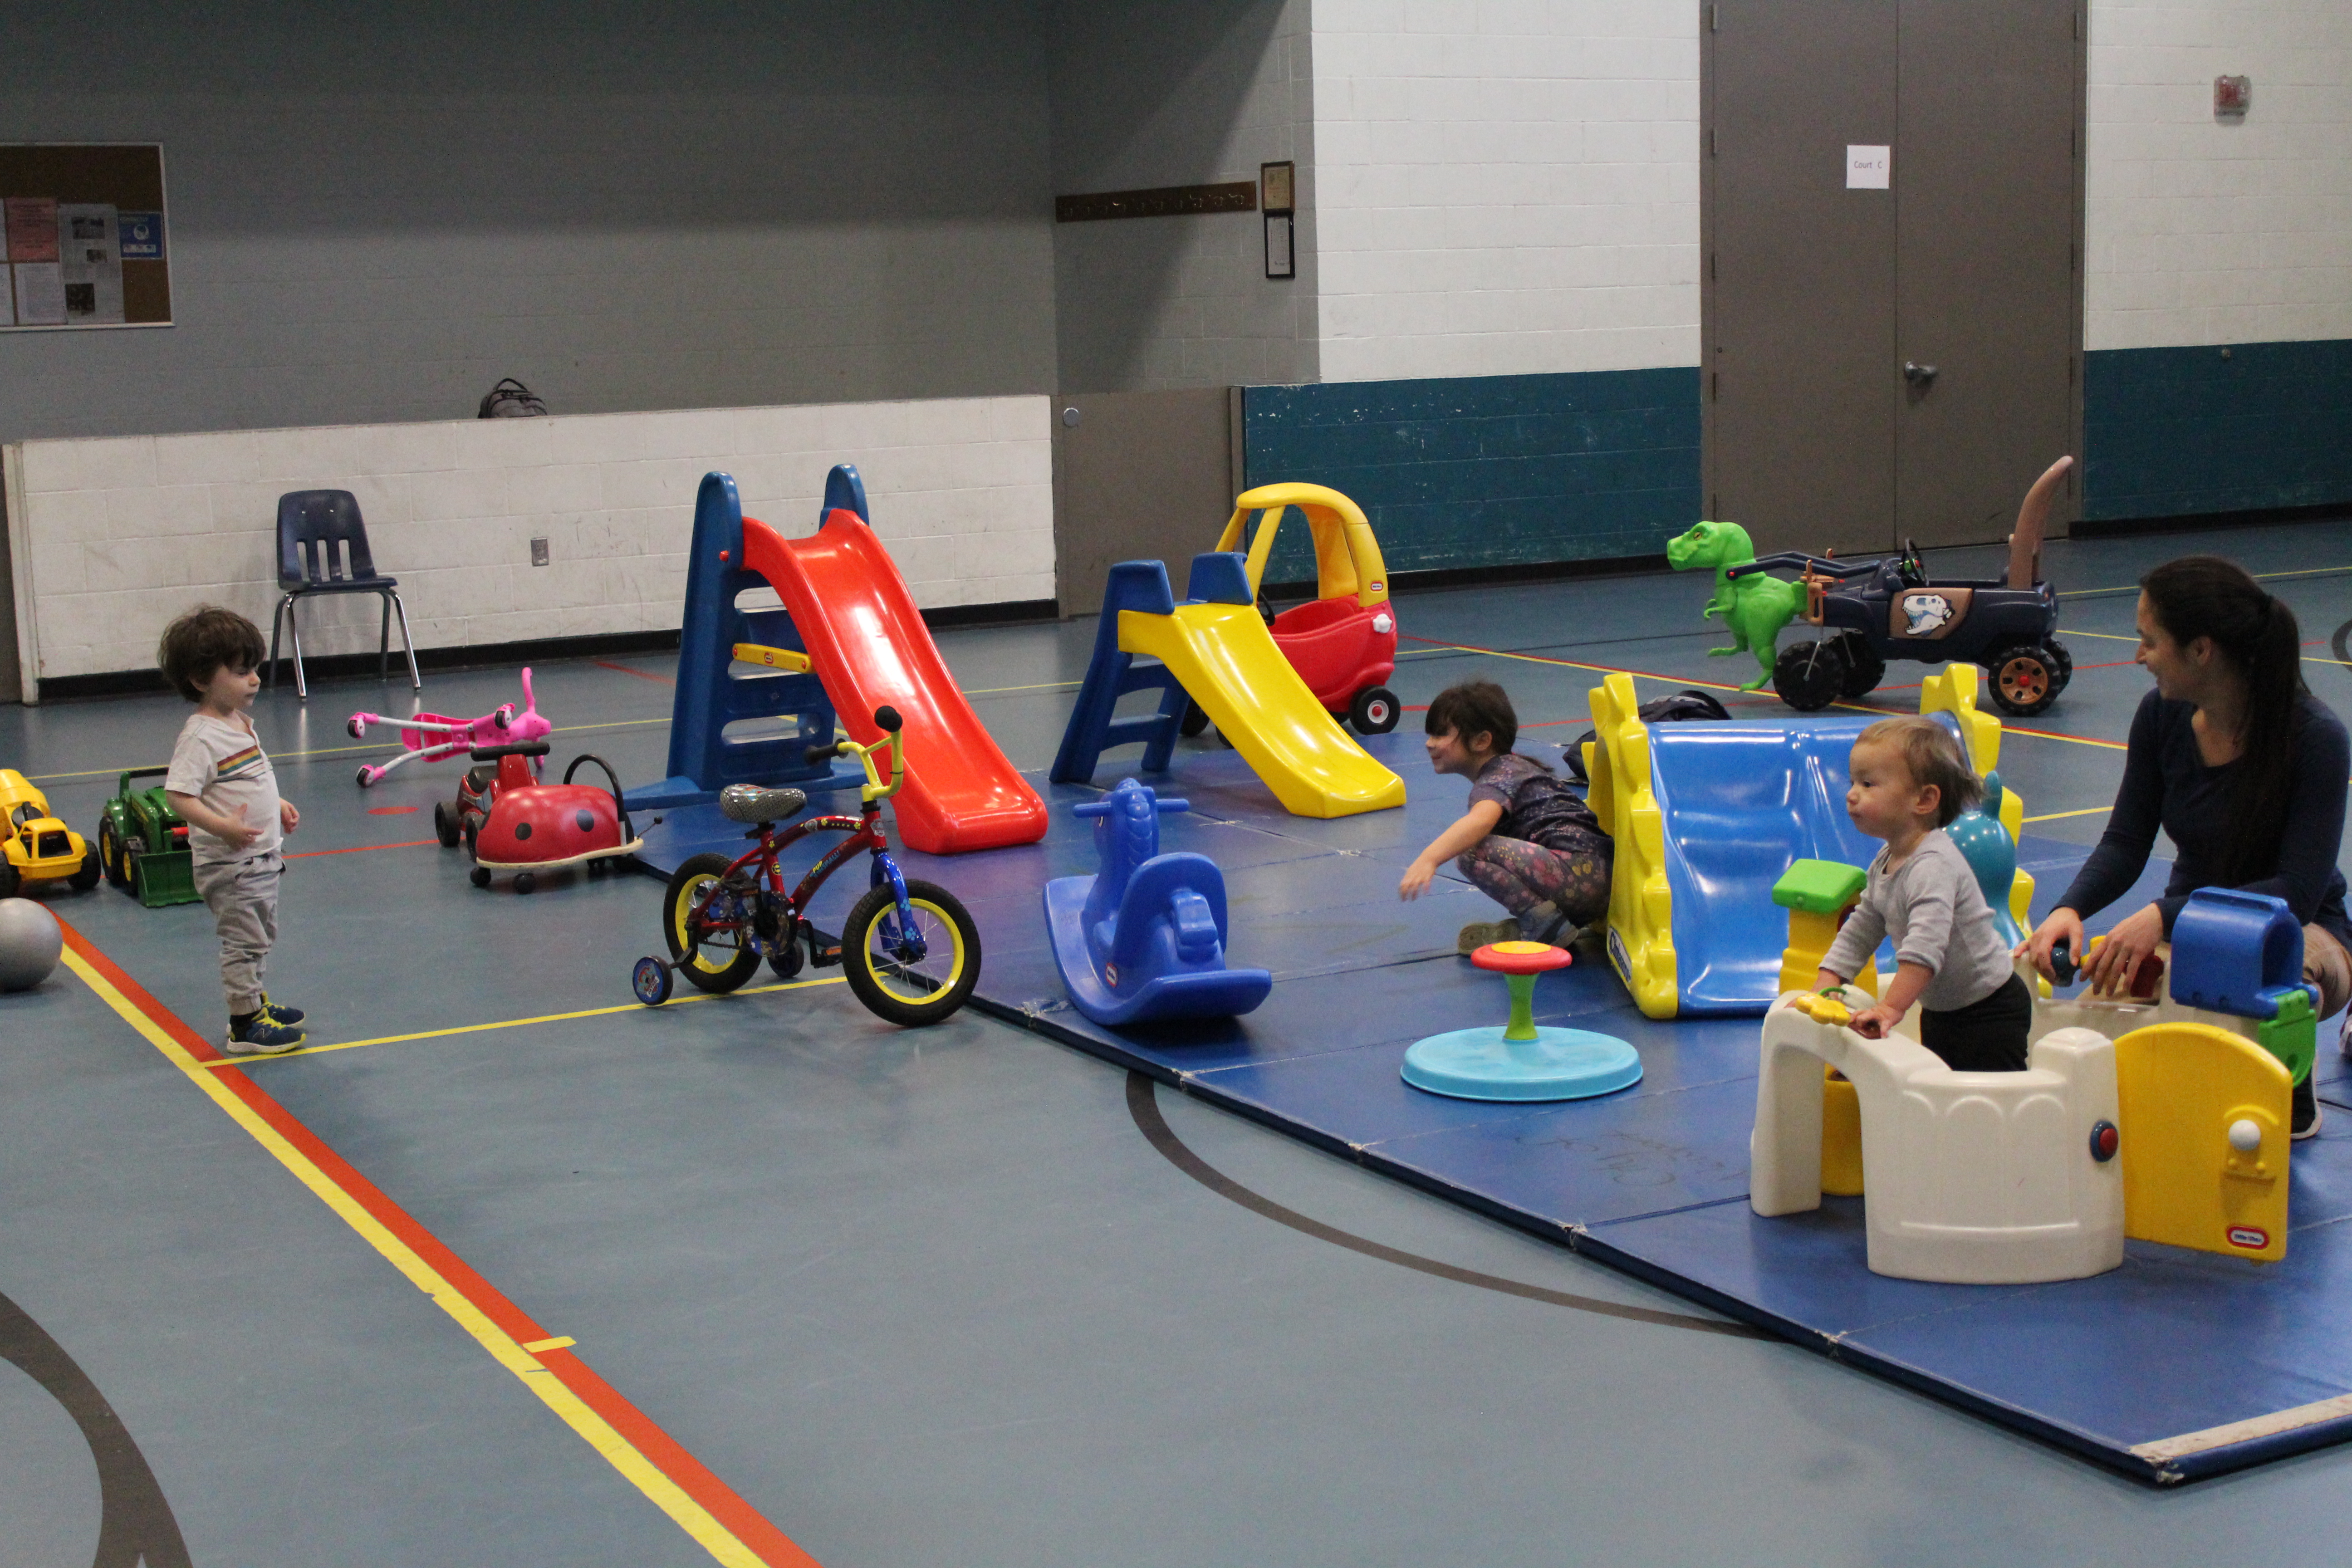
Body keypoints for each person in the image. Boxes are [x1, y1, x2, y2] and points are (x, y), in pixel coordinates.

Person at [2019, 556, 2351, 1139]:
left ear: (2201, 650)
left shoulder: (2317, 739)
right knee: (2112, 1018)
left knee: (2251, 985)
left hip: (2298, 933)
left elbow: (2296, 894)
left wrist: (2166, 914)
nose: (2138, 657)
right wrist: (2068, 909)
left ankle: (2290, 1064)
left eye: (2149, 641)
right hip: (2188, 928)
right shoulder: (2160, 716)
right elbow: (2125, 842)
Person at [1814, 716, 2032, 1070]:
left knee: (1990, 1098)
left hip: (1989, 1008)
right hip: (1943, 1007)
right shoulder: (1889, 858)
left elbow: (1926, 947)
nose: (1852, 794)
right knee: (1943, 1092)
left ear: (1925, 799)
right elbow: (1864, 926)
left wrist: (1890, 1009)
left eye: (1869, 784)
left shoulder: (1933, 865)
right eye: (1854, 781)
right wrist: (1828, 980)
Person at [160, 606, 307, 1054]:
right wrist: (222, 826)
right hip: (232, 863)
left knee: (260, 933)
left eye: (255, 670)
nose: (254, 680)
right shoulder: (201, 736)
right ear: (203, 679)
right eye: (241, 672)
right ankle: (244, 1024)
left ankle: (254, 1001)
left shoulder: (237, 724)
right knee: (244, 941)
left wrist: (275, 804)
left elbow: (247, 776)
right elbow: (179, 796)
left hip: (259, 858)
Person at [1398, 680, 1613, 954]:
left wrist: (1428, 859)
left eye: (1440, 735)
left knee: (1472, 849)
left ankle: (1544, 925)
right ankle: (1549, 919)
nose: (1430, 744)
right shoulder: (1514, 768)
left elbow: (1479, 822)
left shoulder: (1499, 776)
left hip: (1580, 873)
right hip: (1596, 879)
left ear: (1481, 741)